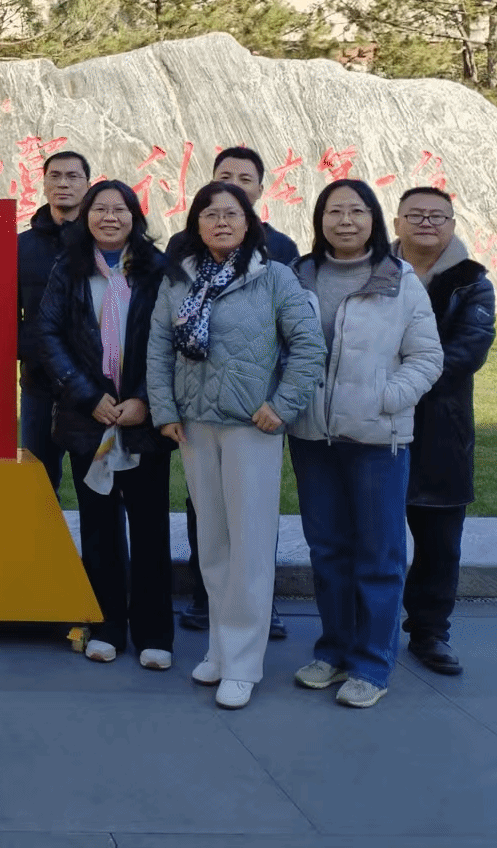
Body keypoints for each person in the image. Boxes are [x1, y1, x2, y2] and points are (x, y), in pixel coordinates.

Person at [147, 182, 325, 710]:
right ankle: (220, 651)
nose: (221, 222)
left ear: (250, 223)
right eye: (210, 214)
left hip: (252, 428)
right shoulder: (179, 279)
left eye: (231, 214)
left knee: (249, 546)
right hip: (195, 426)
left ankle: (244, 664)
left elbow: (308, 345)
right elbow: (158, 347)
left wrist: (282, 404)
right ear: (196, 225)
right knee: (214, 543)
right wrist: (164, 410)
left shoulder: (274, 277)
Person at [290, 179, 443, 709]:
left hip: (378, 440)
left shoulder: (398, 280)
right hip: (312, 437)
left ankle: (372, 664)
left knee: (379, 555)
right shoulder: (298, 276)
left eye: (357, 211)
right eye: (334, 211)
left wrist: (386, 398)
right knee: (328, 550)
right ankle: (334, 650)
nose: (346, 221)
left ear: (375, 220)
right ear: (320, 220)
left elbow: (427, 356)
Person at [33, 179, 173, 669]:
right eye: (100, 209)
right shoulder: (67, 268)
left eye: (120, 209)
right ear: (87, 216)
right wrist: (87, 395)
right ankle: (107, 625)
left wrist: (145, 401)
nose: (109, 217)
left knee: (150, 527)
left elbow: (171, 341)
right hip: (87, 419)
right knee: (99, 526)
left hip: (141, 420)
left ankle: (155, 633)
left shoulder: (157, 270)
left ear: (135, 217)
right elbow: (48, 333)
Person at [177, 145, 297, 638]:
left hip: (253, 411)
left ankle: (256, 612)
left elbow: (298, 338)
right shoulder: (184, 256)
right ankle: (209, 602)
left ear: (259, 192)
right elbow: (163, 337)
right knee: (206, 514)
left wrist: (280, 400)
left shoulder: (280, 253)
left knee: (251, 518)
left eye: (244, 179)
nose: (233, 185)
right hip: (199, 411)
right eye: (224, 176)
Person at [393, 187, 494, 676]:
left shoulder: (471, 283)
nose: (426, 222)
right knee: (367, 535)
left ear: (452, 224)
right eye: (415, 214)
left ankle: (430, 632)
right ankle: (361, 629)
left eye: (437, 215)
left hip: (441, 427)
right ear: (396, 223)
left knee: (438, 541)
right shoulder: (371, 271)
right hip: (372, 423)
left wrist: (395, 383)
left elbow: (467, 351)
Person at [17, 150, 91, 492]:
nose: (64, 183)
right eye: (55, 176)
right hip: (39, 384)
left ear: (88, 185)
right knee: (37, 486)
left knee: (99, 488)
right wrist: (31, 349)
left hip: (93, 387)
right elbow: (7, 315)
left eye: (73, 176)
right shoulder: (21, 247)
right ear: (44, 184)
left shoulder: (102, 242)